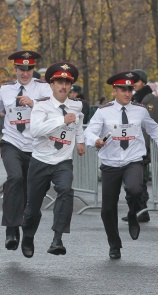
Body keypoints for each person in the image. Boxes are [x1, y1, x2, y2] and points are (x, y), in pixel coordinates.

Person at [84, 72, 158, 259]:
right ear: (114, 90)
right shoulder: (103, 112)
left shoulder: (140, 110)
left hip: (133, 160)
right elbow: (89, 132)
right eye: (123, 89)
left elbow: (154, 128)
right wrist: (96, 140)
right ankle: (114, 243)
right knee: (108, 208)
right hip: (111, 163)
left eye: (130, 89)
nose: (127, 93)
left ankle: (133, 214)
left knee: (134, 190)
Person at [20, 62, 86, 258]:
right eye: (59, 82)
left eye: (67, 83)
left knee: (66, 190)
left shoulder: (76, 105)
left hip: (62, 160)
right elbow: (36, 131)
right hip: (40, 160)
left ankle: (57, 239)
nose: (63, 87)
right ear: (51, 84)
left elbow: (79, 122)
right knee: (32, 208)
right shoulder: (41, 105)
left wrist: (80, 141)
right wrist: (60, 120)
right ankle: (28, 236)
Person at [0, 51, 52, 251]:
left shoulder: (43, 88)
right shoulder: (5, 90)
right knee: (14, 178)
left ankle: (28, 235)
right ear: (15, 69)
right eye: (21, 68)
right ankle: (12, 230)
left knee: (33, 193)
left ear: (33, 69)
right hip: (11, 142)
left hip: (36, 147)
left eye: (29, 68)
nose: (25, 73)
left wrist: (34, 103)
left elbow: (55, 109)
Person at [117, 68, 158, 223]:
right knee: (136, 180)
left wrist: (145, 146)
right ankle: (136, 210)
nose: (132, 85)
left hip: (141, 146)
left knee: (140, 181)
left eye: (136, 82)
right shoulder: (137, 98)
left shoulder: (149, 99)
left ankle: (142, 211)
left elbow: (151, 124)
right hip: (133, 144)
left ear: (143, 82)